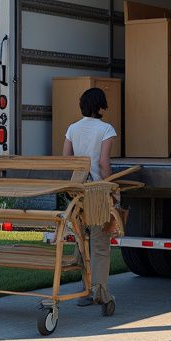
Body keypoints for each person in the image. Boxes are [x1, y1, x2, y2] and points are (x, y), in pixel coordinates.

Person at [63, 86, 118, 309]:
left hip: (78, 191)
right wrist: (112, 187)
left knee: (81, 241)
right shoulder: (106, 129)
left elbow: (66, 159)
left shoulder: (72, 129)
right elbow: (104, 163)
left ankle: (85, 289)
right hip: (97, 190)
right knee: (100, 243)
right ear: (100, 106)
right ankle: (99, 291)